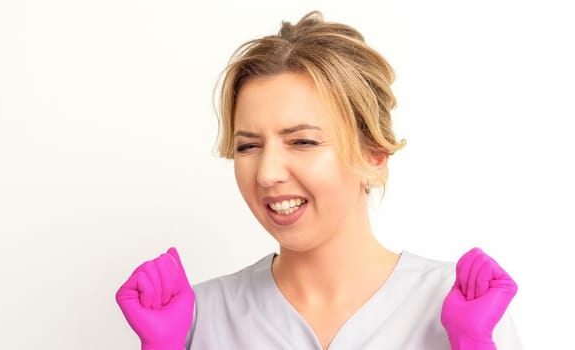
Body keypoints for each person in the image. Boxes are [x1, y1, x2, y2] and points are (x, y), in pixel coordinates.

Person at [115, 11, 521, 350]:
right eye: (248, 147)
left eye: (303, 141)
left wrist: (472, 343)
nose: (268, 173)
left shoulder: (464, 306)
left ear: (373, 153)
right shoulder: (201, 317)